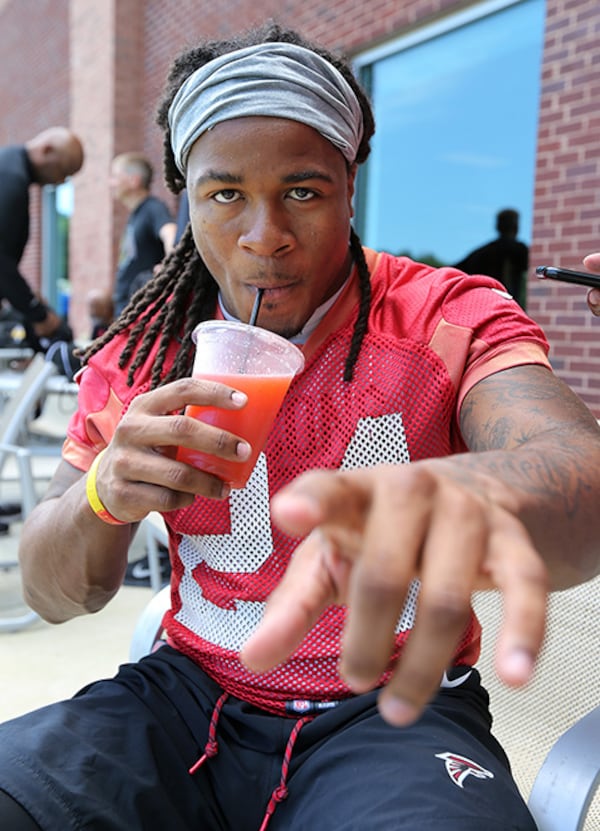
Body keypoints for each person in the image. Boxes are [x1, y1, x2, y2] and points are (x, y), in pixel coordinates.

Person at [2, 23, 600, 831]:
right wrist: (104, 494)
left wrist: (461, 491)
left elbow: (576, 475)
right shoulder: (144, 350)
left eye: (304, 191)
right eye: (224, 195)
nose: (264, 235)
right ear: (188, 201)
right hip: (188, 694)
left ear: (350, 188)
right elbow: (51, 588)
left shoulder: (444, 314)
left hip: (394, 710)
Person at [0, 126, 83, 347]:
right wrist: (37, 313)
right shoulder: (10, 178)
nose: (60, 182)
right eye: (63, 171)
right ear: (46, 151)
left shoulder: (9, 168)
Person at [110, 152, 177, 315]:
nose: (111, 183)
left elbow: (171, 232)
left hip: (143, 309)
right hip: (127, 307)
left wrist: (171, 265)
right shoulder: (136, 214)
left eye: (115, 176)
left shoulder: (153, 208)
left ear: (134, 180)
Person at [454, 208, 529, 306]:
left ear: (497, 226)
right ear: (516, 227)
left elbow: (455, 270)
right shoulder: (519, 249)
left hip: (484, 305)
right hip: (508, 306)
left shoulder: (483, 252)